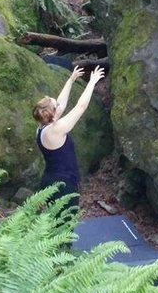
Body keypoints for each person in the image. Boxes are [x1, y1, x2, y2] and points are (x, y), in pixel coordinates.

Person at [32, 65, 105, 211]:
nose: (59, 105)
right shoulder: (56, 130)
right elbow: (81, 107)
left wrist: (71, 80)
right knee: (64, 226)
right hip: (63, 186)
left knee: (52, 223)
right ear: (53, 114)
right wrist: (92, 82)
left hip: (50, 180)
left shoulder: (41, 128)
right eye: (56, 105)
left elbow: (61, 103)